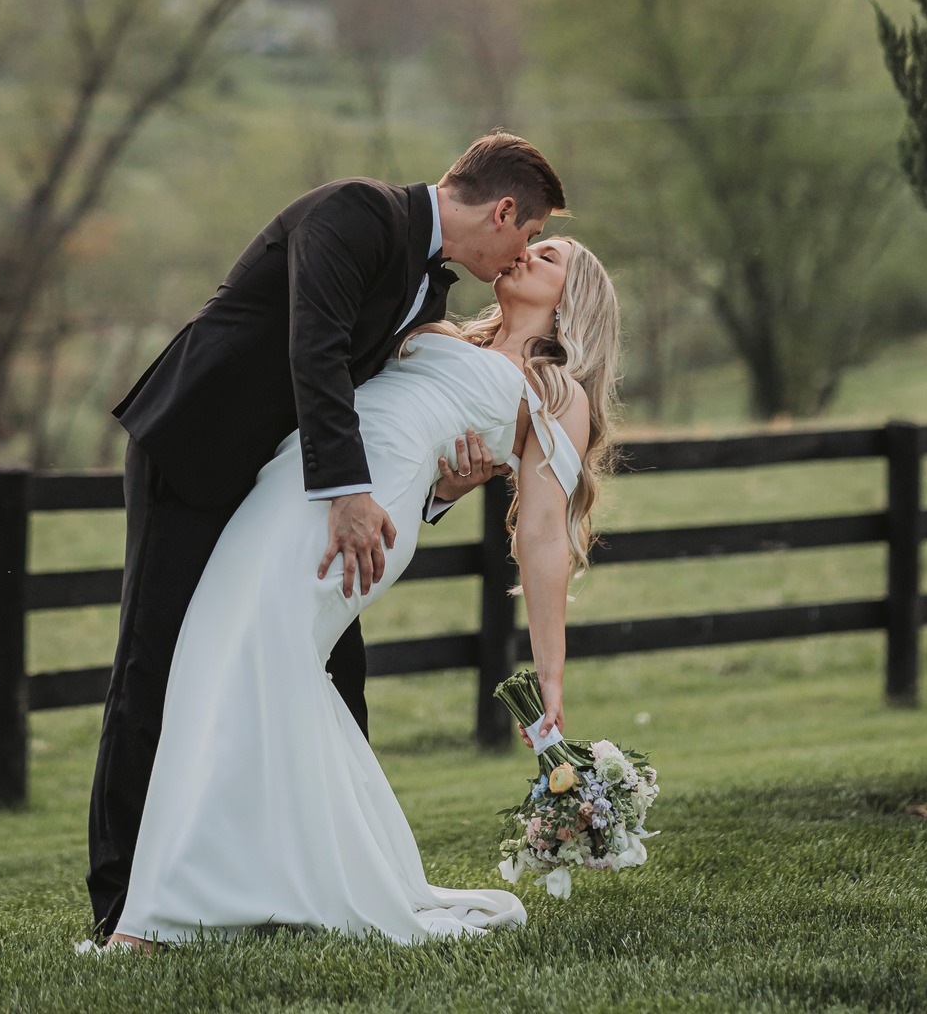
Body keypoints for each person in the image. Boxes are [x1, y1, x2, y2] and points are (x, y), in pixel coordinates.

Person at [86, 133, 569, 939]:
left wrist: (441, 488)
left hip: (281, 485)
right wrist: (345, 494)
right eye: (527, 234)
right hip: (199, 449)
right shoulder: (356, 210)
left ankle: (311, 878)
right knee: (154, 663)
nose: (518, 255)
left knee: (339, 674)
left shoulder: (430, 296)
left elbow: (387, 415)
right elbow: (312, 344)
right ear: (504, 209)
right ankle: (124, 901)